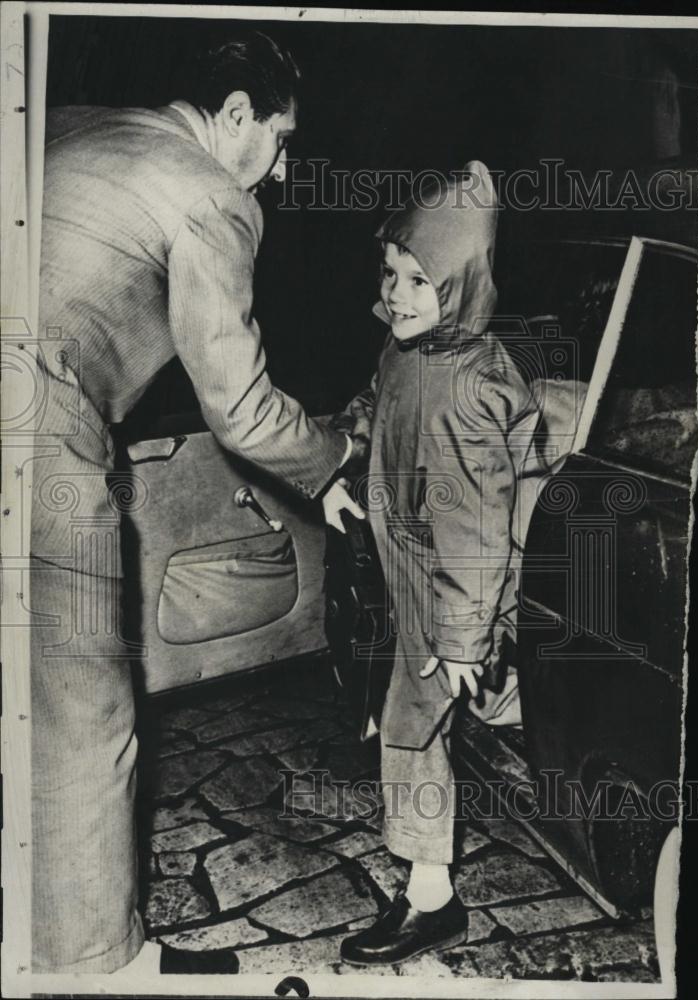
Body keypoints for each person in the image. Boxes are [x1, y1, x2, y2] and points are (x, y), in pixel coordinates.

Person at [31, 30, 362, 976]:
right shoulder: (211, 192)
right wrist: (337, 463)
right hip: (35, 430)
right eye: (281, 140)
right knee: (79, 714)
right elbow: (245, 408)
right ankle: (97, 965)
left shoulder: (71, 128)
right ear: (233, 116)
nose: (284, 170)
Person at [333, 161, 547, 965]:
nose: (398, 294)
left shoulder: (466, 390)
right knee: (474, 708)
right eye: (391, 272)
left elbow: (478, 530)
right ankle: (517, 709)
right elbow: (373, 404)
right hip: (417, 571)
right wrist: (344, 456)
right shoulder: (407, 351)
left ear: (460, 287)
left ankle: (432, 899)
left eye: (421, 281)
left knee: (410, 729)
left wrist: (462, 638)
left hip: (454, 583)